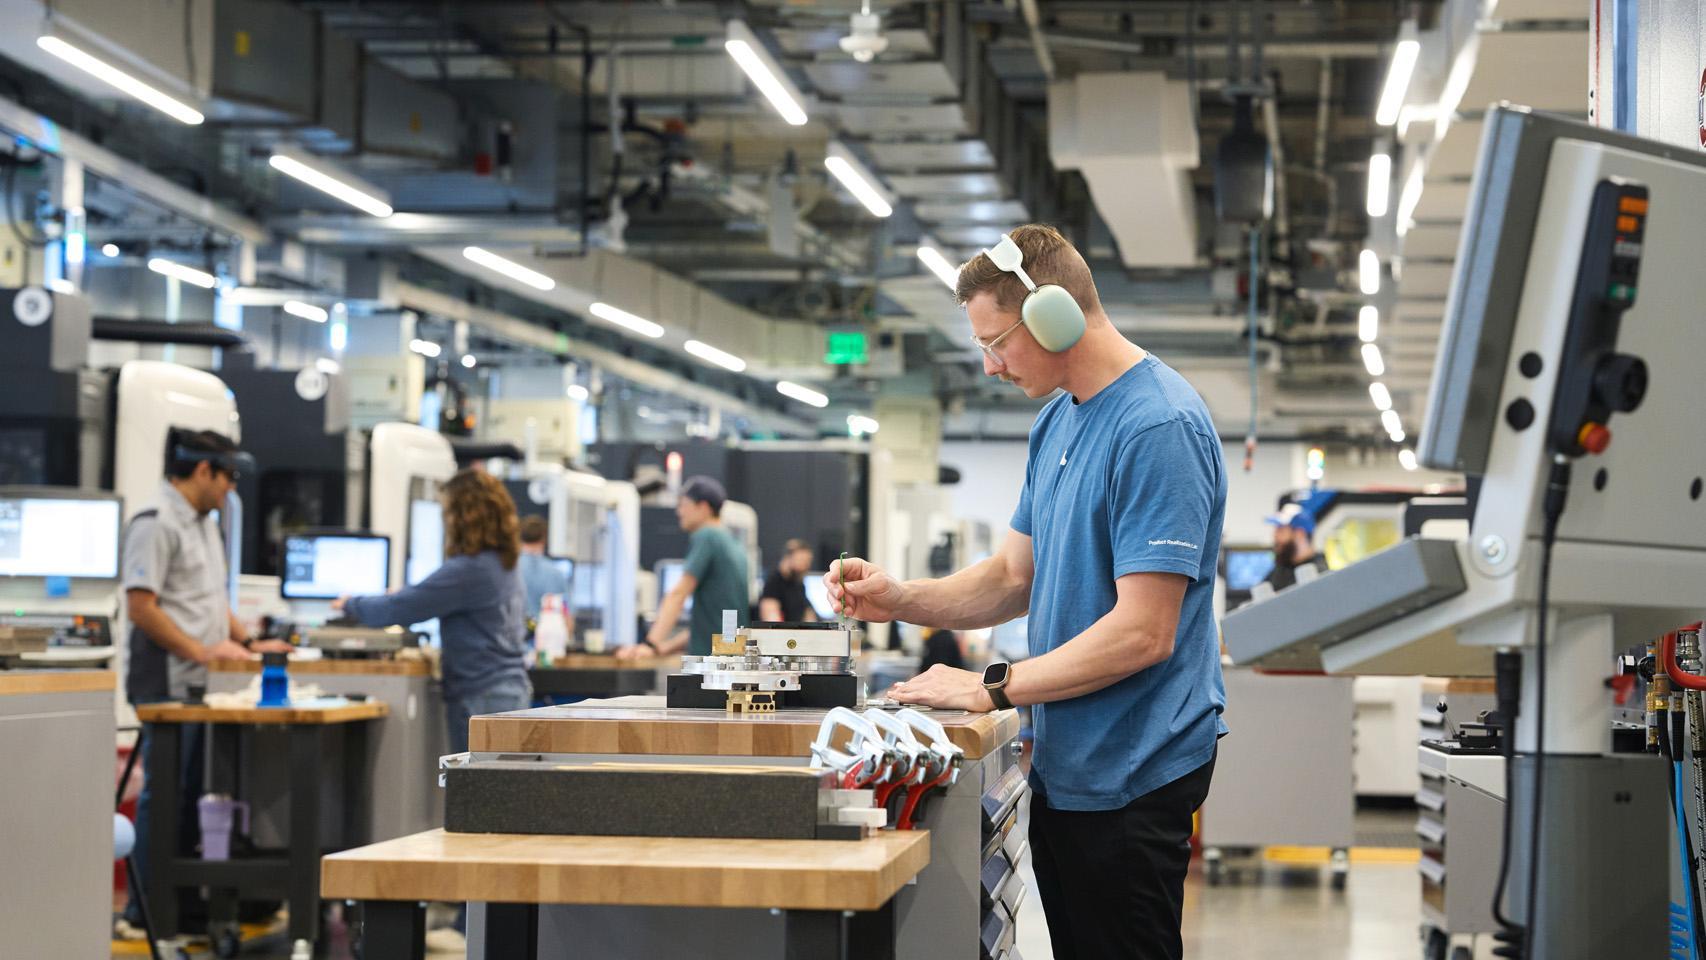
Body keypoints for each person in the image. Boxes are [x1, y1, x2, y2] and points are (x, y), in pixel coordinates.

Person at [824, 224, 1227, 960]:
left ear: (1055, 317)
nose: (988, 367)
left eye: (997, 342)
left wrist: (993, 686)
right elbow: (1012, 577)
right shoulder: (1057, 424)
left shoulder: (1157, 426)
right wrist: (902, 598)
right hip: (1070, 764)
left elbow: (1145, 632)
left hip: (1134, 774)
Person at [121, 429, 287, 934]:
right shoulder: (155, 524)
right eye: (228, 477)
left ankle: (183, 901)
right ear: (201, 471)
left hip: (205, 682)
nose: (231, 489)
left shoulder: (205, 525)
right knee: (164, 794)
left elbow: (211, 601)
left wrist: (251, 642)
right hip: (168, 681)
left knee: (196, 791)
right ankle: (144, 912)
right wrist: (201, 651)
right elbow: (141, 606)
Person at [333, 469, 530, 757]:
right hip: (507, 691)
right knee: (498, 795)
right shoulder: (502, 562)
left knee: (476, 796)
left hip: (482, 698)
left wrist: (350, 604)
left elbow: (398, 609)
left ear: (463, 517)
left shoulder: (469, 569)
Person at [618, 476, 749, 659]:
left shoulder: (707, 536)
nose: (679, 512)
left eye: (683, 505)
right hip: (728, 658)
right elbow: (715, 623)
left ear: (702, 507)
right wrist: (665, 647)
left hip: (710, 665)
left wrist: (650, 644)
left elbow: (678, 595)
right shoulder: (733, 544)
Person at [516, 514, 573, 631]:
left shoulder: (508, 569)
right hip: (546, 644)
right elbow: (565, 614)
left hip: (512, 643)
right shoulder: (555, 573)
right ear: (544, 538)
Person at [1263, 501, 1328, 591]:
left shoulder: (1320, 575)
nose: (1275, 536)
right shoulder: (1280, 570)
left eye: (1280, 530)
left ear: (1300, 534)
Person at [758, 538, 817, 623]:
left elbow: (808, 613)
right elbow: (772, 620)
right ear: (787, 558)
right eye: (802, 561)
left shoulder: (798, 584)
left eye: (808, 562)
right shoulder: (774, 582)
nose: (806, 566)